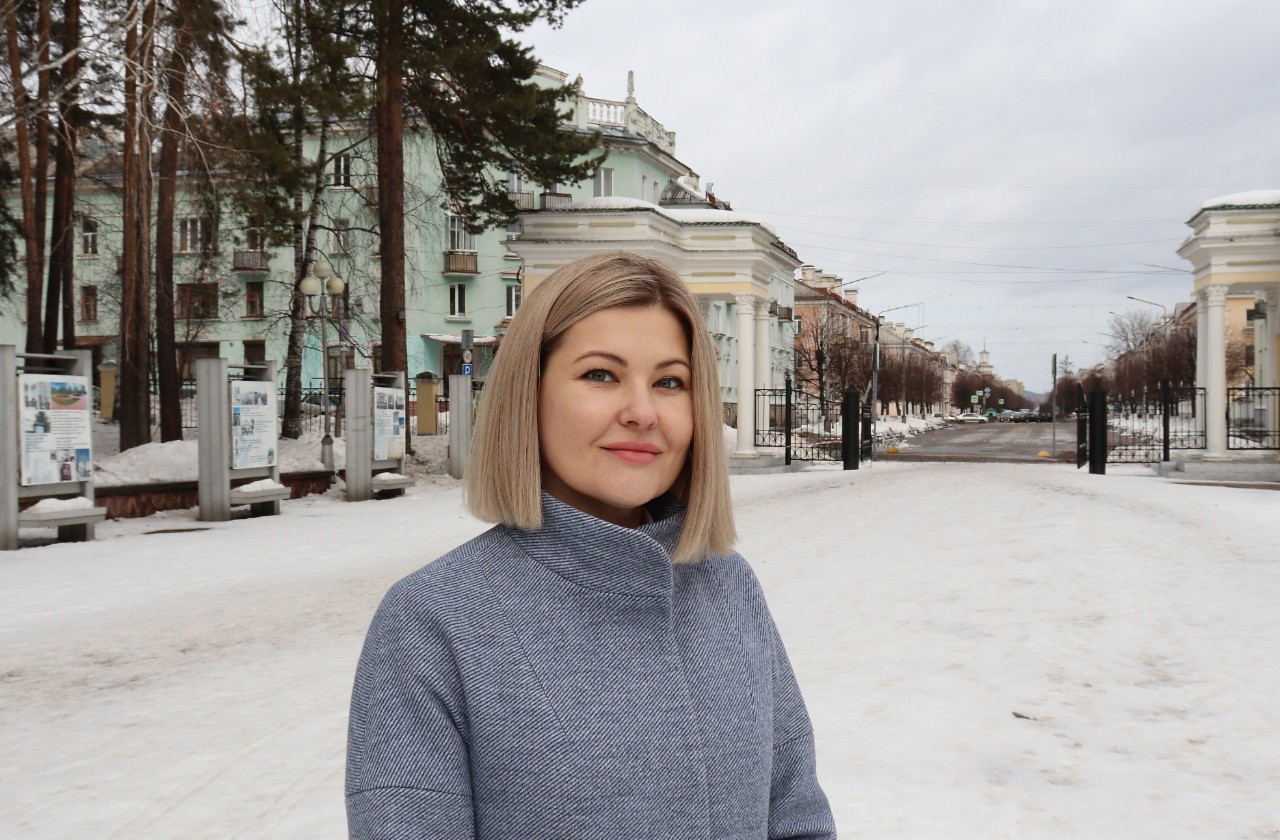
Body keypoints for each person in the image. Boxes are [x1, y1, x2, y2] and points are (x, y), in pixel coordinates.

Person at [345, 252, 835, 839]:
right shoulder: (433, 621)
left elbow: (796, 816)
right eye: (601, 375)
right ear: (529, 392)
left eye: (670, 382)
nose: (642, 412)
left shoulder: (727, 584)